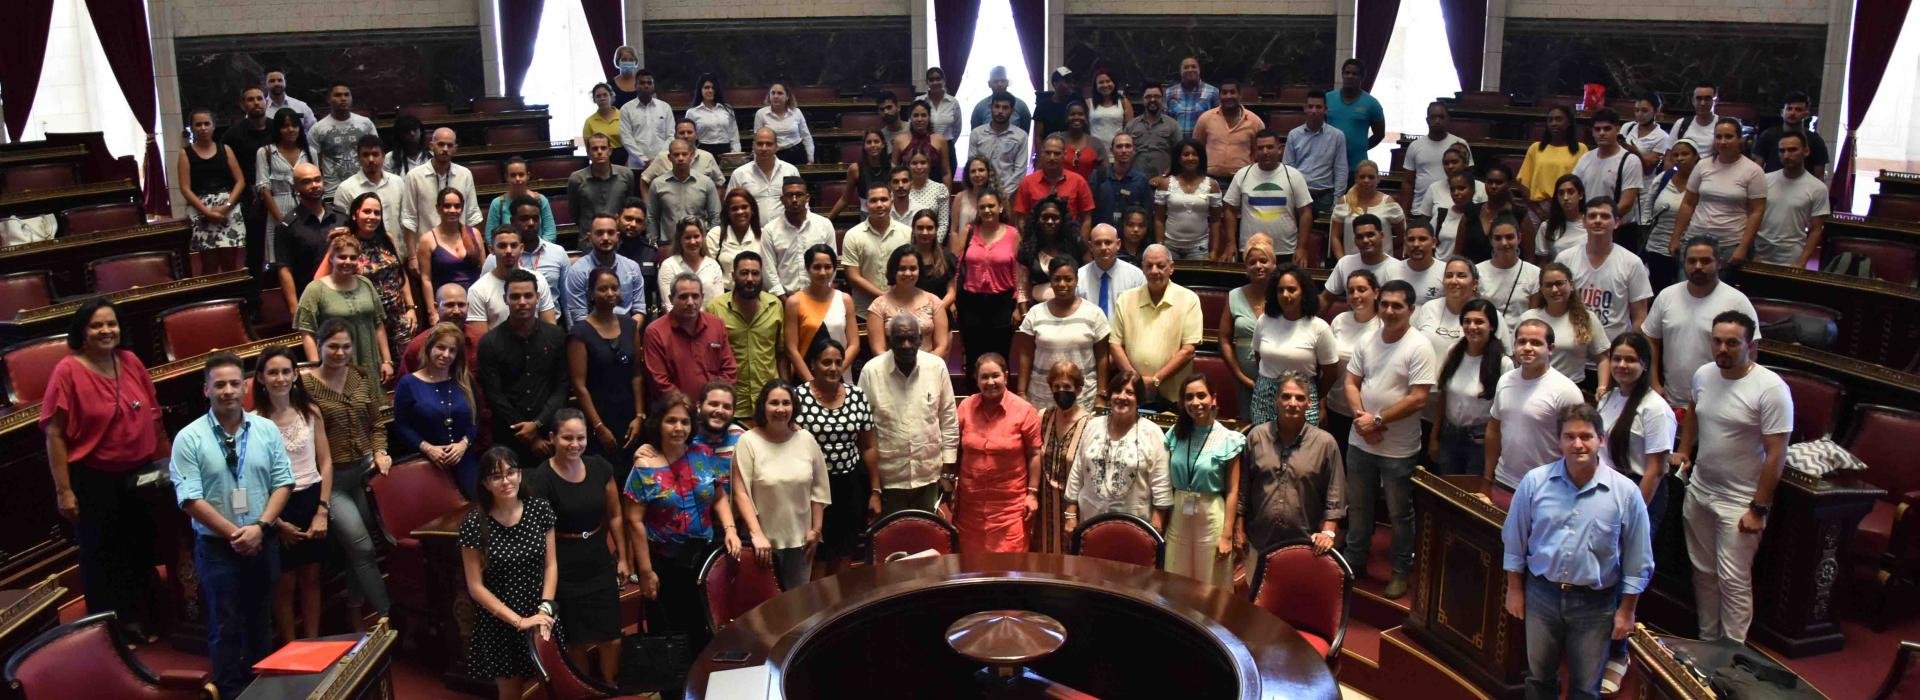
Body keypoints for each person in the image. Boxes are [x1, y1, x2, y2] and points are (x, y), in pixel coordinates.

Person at [1501, 404, 1653, 700]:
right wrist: (1514, 589)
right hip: (1542, 595)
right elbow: (1515, 540)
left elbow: (1638, 559)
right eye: (1569, 437)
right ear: (1559, 440)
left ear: (1601, 440)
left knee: (1585, 687)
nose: (1578, 444)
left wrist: (1627, 610)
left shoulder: (1626, 493)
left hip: (1596, 604)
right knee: (1539, 677)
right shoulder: (1534, 482)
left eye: (1586, 436)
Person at [169, 352, 294, 697]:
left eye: (235, 383)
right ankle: (230, 691)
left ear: (246, 387)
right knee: (225, 625)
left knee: (261, 620)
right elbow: (190, 499)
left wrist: (260, 528)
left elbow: (284, 482)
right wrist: (237, 534)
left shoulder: (266, 429)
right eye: (219, 384)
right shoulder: (189, 438)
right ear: (206, 389)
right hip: (217, 548)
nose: (228, 391)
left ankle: (264, 690)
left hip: (261, 540)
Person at [41, 299, 167, 640]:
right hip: (95, 479)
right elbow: (54, 433)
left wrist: (167, 463)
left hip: (141, 474)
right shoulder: (68, 371)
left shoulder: (130, 361)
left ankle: (146, 617)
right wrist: (64, 490)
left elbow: (153, 414)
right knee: (104, 556)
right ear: (82, 332)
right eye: (97, 325)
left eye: (111, 324)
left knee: (142, 548)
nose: (106, 331)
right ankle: (109, 630)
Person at [1676, 311, 1790, 645]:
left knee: (1733, 580)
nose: (1722, 349)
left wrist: (1759, 508)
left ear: (1750, 345)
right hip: (1700, 490)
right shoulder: (1704, 374)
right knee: (1703, 574)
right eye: (1717, 341)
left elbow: (1777, 453)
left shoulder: (1771, 389)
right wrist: (1684, 449)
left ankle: (1731, 655)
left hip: (1740, 501)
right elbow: (1693, 410)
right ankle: (1707, 643)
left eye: (1732, 342)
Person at [623, 391, 737, 655]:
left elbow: (719, 496)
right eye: (671, 421)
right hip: (666, 564)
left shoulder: (702, 453)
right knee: (671, 637)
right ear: (658, 424)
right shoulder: (645, 466)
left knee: (707, 628)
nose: (678, 428)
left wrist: (730, 529)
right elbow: (634, 521)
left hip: (705, 559)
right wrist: (646, 571)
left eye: (684, 422)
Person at [1341, 279, 1435, 598]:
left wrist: (1377, 420)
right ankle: (1354, 561)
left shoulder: (1419, 345)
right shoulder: (1368, 340)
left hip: (1398, 449)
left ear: (1411, 309)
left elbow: (1419, 397)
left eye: (1398, 306)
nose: (1390, 311)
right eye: (1385, 304)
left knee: (1399, 512)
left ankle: (1399, 570)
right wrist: (1362, 419)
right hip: (1360, 440)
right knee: (1359, 506)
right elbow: (1351, 383)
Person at [522, 410, 626, 686]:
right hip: (563, 564)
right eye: (567, 438)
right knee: (576, 640)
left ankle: (609, 685)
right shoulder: (541, 478)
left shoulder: (600, 467)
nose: (575, 444)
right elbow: (541, 532)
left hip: (599, 557)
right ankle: (585, 688)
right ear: (552, 438)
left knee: (611, 637)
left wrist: (623, 557)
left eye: (580, 438)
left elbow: (615, 515)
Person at [303, 320, 394, 623]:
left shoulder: (361, 377)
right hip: (333, 481)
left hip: (365, 472)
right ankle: (389, 617)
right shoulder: (305, 385)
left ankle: (355, 610)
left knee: (363, 549)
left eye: (345, 346)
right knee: (364, 548)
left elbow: (377, 423)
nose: (340, 352)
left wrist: (380, 450)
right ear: (319, 346)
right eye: (332, 346)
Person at [458, 448, 558, 700]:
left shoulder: (540, 509)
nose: (506, 481)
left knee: (551, 685)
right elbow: (475, 587)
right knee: (511, 692)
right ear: (485, 483)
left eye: (511, 473)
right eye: (496, 476)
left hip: (540, 612)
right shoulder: (473, 523)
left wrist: (544, 610)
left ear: (520, 475)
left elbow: (551, 565)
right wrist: (518, 621)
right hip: (500, 621)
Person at [252, 348, 330, 645]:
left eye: (286, 371)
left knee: (311, 578)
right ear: (260, 378)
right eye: (272, 372)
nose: (280, 378)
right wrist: (275, 522)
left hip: (311, 500)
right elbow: (254, 478)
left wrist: (322, 510)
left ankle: (312, 642)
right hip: (276, 507)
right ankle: (290, 646)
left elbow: (325, 462)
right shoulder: (254, 421)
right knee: (284, 583)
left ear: (296, 374)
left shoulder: (310, 412)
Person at [731, 382, 831, 589]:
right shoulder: (747, 441)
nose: (780, 409)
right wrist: (756, 534)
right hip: (763, 545)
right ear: (763, 407)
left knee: (798, 604)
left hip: (802, 541)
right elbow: (741, 492)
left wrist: (817, 529)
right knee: (766, 607)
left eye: (786, 403)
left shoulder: (806, 439)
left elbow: (819, 488)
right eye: (773, 403)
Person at [859, 314, 960, 515]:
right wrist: (875, 487)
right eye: (899, 339)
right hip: (889, 479)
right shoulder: (871, 372)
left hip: (929, 475)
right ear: (889, 341)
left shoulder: (936, 367)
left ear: (920, 339)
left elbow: (948, 419)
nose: (906, 345)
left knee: (927, 540)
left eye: (911, 338)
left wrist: (948, 472)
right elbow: (864, 432)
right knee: (894, 542)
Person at [1643, 237, 1759, 408]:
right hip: (1670, 400)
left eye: (1705, 261)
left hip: (1719, 402)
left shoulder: (1737, 302)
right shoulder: (1667, 296)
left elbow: (1751, 351)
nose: (1698, 266)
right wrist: (1654, 383)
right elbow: (1651, 338)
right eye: (1692, 261)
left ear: (1719, 263)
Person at [1240, 371, 1347, 556]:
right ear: (1276, 400)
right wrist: (1237, 528)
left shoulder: (1325, 443)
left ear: (1309, 403)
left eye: (1299, 398)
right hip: (1258, 540)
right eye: (1286, 396)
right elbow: (1243, 490)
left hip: (1305, 545)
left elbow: (1335, 497)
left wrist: (1328, 532)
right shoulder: (1256, 436)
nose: (1292, 403)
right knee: (1256, 586)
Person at [792, 338, 875, 575]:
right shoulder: (798, 398)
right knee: (818, 554)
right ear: (813, 364)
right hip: (813, 488)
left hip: (850, 484)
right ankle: (820, 608)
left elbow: (868, 446)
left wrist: (876, 491)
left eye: (838, 362)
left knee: (846, 551)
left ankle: (843, 606)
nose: (833, 368)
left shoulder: (857, 395)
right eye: (826, 362)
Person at [951, 355, 1044, 554]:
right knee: (971, 570)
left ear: (1006, 376)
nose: (990, 382)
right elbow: (956, 448)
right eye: (984, 377)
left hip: (1010, 509)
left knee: (1010, 571)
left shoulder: (1024, 410)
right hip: (970, 508)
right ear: (976, 379)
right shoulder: (965, 407)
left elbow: (1035, 453)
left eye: (996, 376)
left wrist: (1032, 494)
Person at [478, 270, 570, 466]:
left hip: (551, 432)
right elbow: (495, 396)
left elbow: (561, 386)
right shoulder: (489, 343)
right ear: (505, 299)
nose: (522, 301)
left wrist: (538, 424)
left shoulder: (555, 336)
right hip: (509, 435)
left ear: (537, 297)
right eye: (515, 296)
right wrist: (529, 435)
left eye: (528, 295)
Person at [1164, 375, 1245, 586]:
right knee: (1176, 580)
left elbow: (1233, 491)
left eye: (1201, 395)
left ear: (1213, 399)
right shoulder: (1176, 433)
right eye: (1189, 397)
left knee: (1210, 584)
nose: (1195, 402)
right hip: (1179, 515)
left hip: (1211, 517)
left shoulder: (1228, 439)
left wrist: (1227, 535)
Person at [1487, 319, 1588, 489]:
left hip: (1545, 487)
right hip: (1503, 480)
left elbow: (1579, 447)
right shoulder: (1505, 380)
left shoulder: (1566, 391)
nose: (1527, 348)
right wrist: (1488, 475)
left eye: (1536, 343)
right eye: (1521, 342)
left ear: (1551, 349)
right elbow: (1494, 428)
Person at [1064, 374, 1172, 527]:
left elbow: (1161, 483)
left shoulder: (1152, 432)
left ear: (1139, 399)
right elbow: (1077, 471)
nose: (1122, 397)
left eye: (1130, 392)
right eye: (1117, 391)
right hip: (1089, 522)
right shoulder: (1092, 425)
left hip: (1135, 526)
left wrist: (1157, 524)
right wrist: (1070, 515)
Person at [567, 268, 645, 464]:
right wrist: (599, 426)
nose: (610, 294)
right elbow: (579, 386)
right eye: (603, 289)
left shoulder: (629, 325)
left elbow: (637, 374)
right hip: (599, 417)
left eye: (614, 288)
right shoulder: (579, 333)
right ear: (591, 294)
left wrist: (639, 415)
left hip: (629, 416)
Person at [1111, 245, 1203, 406]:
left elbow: (1188, 350)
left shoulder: (1189, 299)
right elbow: (1115, 344)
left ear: (1171, 268)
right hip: (1133, 393)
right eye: (1149, 266)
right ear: (1142, 268)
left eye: (1160, 266)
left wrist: (1156, 380)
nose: (1154, 271)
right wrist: (1136, 381)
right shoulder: (1125, 299)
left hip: (1174, 396)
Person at [1597, 332, 1675, 525]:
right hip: (1606, 486)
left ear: (1645, 364)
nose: (1622, 365)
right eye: (1617, 359)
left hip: (1639, 491)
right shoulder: (1608, 398)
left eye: (1630, 360)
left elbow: (1655, 470)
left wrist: (1633, 513)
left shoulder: (1655, 408)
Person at [331, 193, 419, 362]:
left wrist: (410, 308)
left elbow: (400, 275)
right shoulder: (347, 243)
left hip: (398, 317)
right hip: (367, 319)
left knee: (407, 367)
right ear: (355, 214)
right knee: (379, 370)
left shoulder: (387, 238)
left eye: (377, 213)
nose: (372, 216)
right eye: (367, 211)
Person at [1427, 299, 1511, 475]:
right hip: (1449, 435)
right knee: (1447, 491)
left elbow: (1504, 415)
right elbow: (1444, 397)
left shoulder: (1503, 363)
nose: (1472, 326)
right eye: (1467, 321)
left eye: (1479, 322)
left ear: (1492, 326)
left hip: (1480, 441)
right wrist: (1434, 437)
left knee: (1470, 494)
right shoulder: (1453, 352)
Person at [1556, 196, 1652, 348]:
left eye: (1605, 216)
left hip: (1613, 354)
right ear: (1584, 222)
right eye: (1592, 216)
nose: (1598, 220)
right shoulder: (1565, 259)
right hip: (1573, 353)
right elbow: (1555, 306)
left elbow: (1640, 317)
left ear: (1617, 222)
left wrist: (1627, 351)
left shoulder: (1632, 263)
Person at [296, 232, 392, 382]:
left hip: (370, 362)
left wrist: (387, 361)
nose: (348, 261)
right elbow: (307, 332)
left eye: (353, 257)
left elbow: (378, 324)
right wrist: (317, 368)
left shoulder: (366, 284)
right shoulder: (315, 289)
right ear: (331, 259)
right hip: (334, 365)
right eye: (342, 257)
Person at [396, 321, 480, 492]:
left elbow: (476, 418)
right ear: (429, 347)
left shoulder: (464, 380)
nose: (446, 354)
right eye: (440, 347)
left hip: (464, 459)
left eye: (452, 350)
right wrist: (428, 448)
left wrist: (464, 444)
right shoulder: (408, 383)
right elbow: (401, 425)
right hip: (427, 463)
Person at [1017, 256, 1111, 410]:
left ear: (1076, 280)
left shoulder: (1094, 313)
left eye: (1068, 279)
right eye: (1057, 279)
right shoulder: (1035, 313)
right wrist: (1021, 392)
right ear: (1050, 281)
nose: (1062, 284)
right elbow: (1025, 355)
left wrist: (1101, 394)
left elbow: (1102, 357)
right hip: (1042, 396)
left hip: (1083, 396)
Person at [1251, 263, 1339, 426]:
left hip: (1302, 398)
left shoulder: (1319, 327)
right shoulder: (1264, 321)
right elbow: (1258, 357)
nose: (1285, 295)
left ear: (1303, 293)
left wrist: (1312, 393)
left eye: (1292, 289)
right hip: (1265, 396)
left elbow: (1331, 373)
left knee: (1303, 449)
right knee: (1264, 448)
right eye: (1280, 290)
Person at [1672, 119, 1768, 265]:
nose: (1723, 142)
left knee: (1721, 287)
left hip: (1729, 243)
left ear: (1740, 139)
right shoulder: (1703, 165)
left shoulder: (1753, 171)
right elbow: (1688, 203)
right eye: (1718, 137)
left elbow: (1757, 212)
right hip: (1695, 239)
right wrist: (1676, 237)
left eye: (1729, 136)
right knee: (1688, 285)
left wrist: (1743, 247)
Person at [953, 191, 1027, 368]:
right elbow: (957, 268)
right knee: (973, 355)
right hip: (971, 302)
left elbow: (1019, 271)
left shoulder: (1013, 234)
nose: (987, 210)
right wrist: (954, 299)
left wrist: (1018, 304)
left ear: (1000, 207)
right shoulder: (968, 231)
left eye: (991, 206)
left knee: (1000, 355)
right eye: (982, 207)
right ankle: (974, 394)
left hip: (1002, 302)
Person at [710, 252, 785, 417]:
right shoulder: (715, 309)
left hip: (769, 401)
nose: (750, 279)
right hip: (731, 402)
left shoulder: (775, 306)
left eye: (755, 273)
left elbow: (781, 354)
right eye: (744, 273)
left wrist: (786, 392)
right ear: (733, 276)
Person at [1224, 130, 1314, 263]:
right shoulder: (1242, 175)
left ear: (1279, 150)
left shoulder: (1294, 176)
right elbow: (1229, 210)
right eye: (1260, 148)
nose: (1265, 151)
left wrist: (1302, 247)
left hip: (1285, 250)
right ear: (1254, 151)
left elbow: (1306, 212)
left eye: (1270, 147)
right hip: (1251, 251)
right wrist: (1230, 243)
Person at [645, 273, 739, 398]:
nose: (690, 302)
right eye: (683, 297)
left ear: (702, 297)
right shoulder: (655, 332)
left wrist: (711, 402)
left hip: (712, 410)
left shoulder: (717, 325)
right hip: (674, 412)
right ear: (671, 298)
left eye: (695, 296)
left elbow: (729, 370)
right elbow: (659, 381)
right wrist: (688, 406)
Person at [1032, 361, 1093, 555]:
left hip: (1073, 507)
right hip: (1045, 505)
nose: (1061, 391)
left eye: (1067, 387)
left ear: (1079, 389)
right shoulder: (1043, 416)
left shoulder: (1090, 424)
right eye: (1056, 387)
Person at [180, 107, 248, 274]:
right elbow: (185, 188)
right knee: (208, 265)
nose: (203, 128)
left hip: (228, 209)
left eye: (206, 123)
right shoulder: (185, 153)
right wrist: (207, 212)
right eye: (198, 124)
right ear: (192, 128)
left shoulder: (225, 149)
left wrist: (226, 206)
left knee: (230, 265)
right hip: (201, 210)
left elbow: (240, 181)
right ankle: (213, 300)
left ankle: (232, 299)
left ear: (213, 126)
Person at [1519, 262, 1610, 385]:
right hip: (1532, 386)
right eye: (1548, 285)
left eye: (1559, 283)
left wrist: (1602, 388)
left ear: (1571, 285)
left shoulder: (1587, 318)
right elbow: (1517, 358)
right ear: (1541, 288)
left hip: (1573, 388)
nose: (1555, 290)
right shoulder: (1528, 318)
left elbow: (1603, 359)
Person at [1325, 270, 1382, 456]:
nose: (1356, 295)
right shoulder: (1339, 320)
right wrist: (1321, 403)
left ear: (1376, 292)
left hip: (1368, 414)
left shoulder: (1383, 326)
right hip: (1335, 406)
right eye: (1351, 291)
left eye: (1362, 289)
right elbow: (1326, 366)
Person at [786, 245, 862, 381]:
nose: (822, 272)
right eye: (817, 267)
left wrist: (835, 371)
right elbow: (791, 349)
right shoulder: (794, 302)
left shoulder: (845, 299)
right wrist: (811, 384)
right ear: (807, 268)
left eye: (827, 267)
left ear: (834, 269)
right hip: (806, 378)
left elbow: (854, 344)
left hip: (840, 375)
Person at [1218, 234, 1274, 419]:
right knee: (1249, 429)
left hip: (1278, 380)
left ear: (1273, 264)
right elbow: (1224, 339)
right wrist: (1239, 375)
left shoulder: (1283, 295)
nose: (1258, 266)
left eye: (1263, 261)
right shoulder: (1234, 296)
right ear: (1246, 268)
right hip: (1243, 381)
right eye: (1252, 262)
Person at [1757, 132, 1830, 267]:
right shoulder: (1764, 181)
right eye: (1782, 151)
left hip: (1791, 259)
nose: (1786, 155)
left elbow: (1816, 229)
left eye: (1792, 150)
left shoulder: (1818, 188)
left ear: (1806, 151)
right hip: (1759, 254)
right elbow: (1751, 216)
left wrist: (1802, 261)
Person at [868, 241, 950, 360]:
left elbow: (941, 345)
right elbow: (878, 350)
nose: (907, 273)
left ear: (919, 270)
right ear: (893, 270)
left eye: (912, 268)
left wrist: (925, 367)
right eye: (902, 268)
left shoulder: (934, 302)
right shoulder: (878, 306)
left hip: (928, 368)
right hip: (891, 370)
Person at [224, 91, 277, 276]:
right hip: (250, 199)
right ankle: (254, 298)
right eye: (250, 99)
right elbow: (228, 170)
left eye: (259, 98)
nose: (256, 103)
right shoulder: (233, 135)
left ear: (266, 102)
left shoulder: (277, 128)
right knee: (255, 250)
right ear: (242, 104)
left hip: (280, 195)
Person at [399, 128, 484, 244]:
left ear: (455, 149)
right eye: (441, 144)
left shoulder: (465, 174)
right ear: (431, 146)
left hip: (459, 248)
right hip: (426, 248)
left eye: (449, 145)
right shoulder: (414, 176)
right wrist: (412, 258)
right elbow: (409, 219)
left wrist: (473, 247)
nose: (445, 149)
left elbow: (473, 215)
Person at [487, 198, 572, 310]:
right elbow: (487, 293)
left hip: (551, 322)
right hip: (511, 321)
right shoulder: (496, 258)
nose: (531, 223)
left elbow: (567, 299)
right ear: (512, 221)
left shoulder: (558, 253)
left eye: (535, 219)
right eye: (524, 219)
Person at [467, 228, 560, 330]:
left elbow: (550, 328)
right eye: (502, 246)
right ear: (491, 249)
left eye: (513, 245)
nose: (508, 251)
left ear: (521, 248)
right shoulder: (477, 290)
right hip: (497, 345)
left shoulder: (538, 280)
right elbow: (480, 340)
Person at [334, 135, 408, 261]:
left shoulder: (398, 182)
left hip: (398, 253)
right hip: (362, 259)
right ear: (358, 158)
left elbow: (405, 219)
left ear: (383, 156)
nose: (371, 159)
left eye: (375, 154)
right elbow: (345, 227)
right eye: (365, 155)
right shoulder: (346, 189)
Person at [564, 215, 646, 325]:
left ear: (617, 236)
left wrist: (628, 334)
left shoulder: (632, 267)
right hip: (592, 334)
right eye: (599, 233)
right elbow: (579, 316)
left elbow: (639, 310)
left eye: (611, 232)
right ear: (589, 238)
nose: (606, 238)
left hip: (628, 332)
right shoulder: (577, 271)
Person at [258, 109, 316, 262]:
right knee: (282, 261)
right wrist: (282, 221)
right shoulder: (265, 152)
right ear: (277, 129)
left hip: (306, 208)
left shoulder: (310, 152)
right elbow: (264, 189)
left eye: (294, 125)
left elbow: (317, 183)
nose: (290, 130)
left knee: (307, 258)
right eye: (285, 126)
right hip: (278, 209)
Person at [1643, 139, 1701, 291]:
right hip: (1657, 245)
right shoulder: (1663, 178)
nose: (1679, 158)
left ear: (1696, 157)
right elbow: (1647, 207)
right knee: (1658, 291)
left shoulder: (1703, 182)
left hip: (1688, 247)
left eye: (1685, 154)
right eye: (1675, 155)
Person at [764, 177, 837, 295]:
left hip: (819, 296)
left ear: (807, 198)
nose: (794, 199)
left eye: (799, 195)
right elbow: (769, 270)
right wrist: (784, 299)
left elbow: (831, 263)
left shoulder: (824, 225)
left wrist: (822, 292)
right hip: (784, 298)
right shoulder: (770, 230)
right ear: (782, 199)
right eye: (789, 195)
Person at [1571, 109, 1645, 225]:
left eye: (1607, 128)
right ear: (1592, 132)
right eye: (1597, 129)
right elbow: (1574, 191)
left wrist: (1600, 221)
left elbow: (1626, 203)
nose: (1601, 133)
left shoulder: (1631, 161)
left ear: (1617, 129)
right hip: (1587, 225)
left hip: (1617, 228)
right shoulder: (1585, 158)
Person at [1410, 255, 1490, 362]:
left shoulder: (1488, 313)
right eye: (1449, 276)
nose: (1454, 281)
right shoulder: (1429, 308)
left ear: (1474, 283)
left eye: (1461, 276)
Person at [1284, 92, 1349, 220]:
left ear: (1325, 110)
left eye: (1318, 107)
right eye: (1310, 106)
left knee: (1322, 236)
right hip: (1299, 196)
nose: (1314, 111)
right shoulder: (1294, 135)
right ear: (1305, 108)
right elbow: (1287, 170)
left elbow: (1341, 170)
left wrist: (1337, 201)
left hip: (1325, 198)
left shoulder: (1337, 136)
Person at [1156, 139, 1224, 260]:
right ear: (1179, 158)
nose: (1190, 158)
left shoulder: (1212, 185)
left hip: (1199, 247)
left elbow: (1216, 221)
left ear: (1200, 158)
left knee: (1197, 279)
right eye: (1186, 154)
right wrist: (1160, 246)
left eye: (1194, 154)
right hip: (1170, 246)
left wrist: (1214, 251)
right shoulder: (1166, 184)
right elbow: (1159, 219)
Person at [1013, 136, 1096, 235]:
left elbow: (1086, 219)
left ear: (1064, 155)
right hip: (1036, 242)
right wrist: (1027, 243)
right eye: (1048, 153)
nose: (1052, 157)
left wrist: (1081, 246)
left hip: (1069, 243)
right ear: (1041, 154)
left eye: (1057, 154)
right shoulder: (1027, 182)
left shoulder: (1079, 181)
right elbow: (1021, 218)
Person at [1402, 102, 1471, 215]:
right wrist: (1404, 213)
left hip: (1452, 208)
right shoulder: (1415, 146)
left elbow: (1468, 178)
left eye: (1441, 117)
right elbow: (1408, 182)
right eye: (1433, 117)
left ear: (1448, 119)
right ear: (1427, 120)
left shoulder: (1459, 144)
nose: (1437, 120)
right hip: (1419, 210)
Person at [308, 84, 378, 198]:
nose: (343, 98)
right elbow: (312, 164)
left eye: (347, 95)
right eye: (338, 95)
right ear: (328, 99)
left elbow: (376, 156)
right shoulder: (318, 129)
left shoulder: (365, 124)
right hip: (332, 191)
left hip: (364, 187)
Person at [648, 140, 724, 244]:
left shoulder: (706, 183)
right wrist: (653, 243)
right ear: (669, 158)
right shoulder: (657, 184)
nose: (680, 158)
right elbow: (652, 217)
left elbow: (715, 216)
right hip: (668, 244)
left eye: (684, 154)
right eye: (676, 155)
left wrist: (711, 243)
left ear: (691, 156)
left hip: (698, 244)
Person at [707, 188, 781, 292]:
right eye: (734, 208)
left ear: (752, 210)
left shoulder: (764, 235)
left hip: (757, 294)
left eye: (744, 207)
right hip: (725, 294)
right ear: (727, 212)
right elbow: (708, 270)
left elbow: (772, 270)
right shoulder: (716, 234)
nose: (740, 212)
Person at [1322, 213, 1403, 306]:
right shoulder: (1345, 263)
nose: (1365, 240)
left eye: (1370, 235)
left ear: (1381, 236)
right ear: (1355, 241)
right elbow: (1326, 298)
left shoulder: (1398, 268)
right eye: (1360, 237)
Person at [1330, 161, 1407, 260]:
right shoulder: (1344, 202)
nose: (1366, 180)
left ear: (1378, 179)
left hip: (1382, 263)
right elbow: (1335, 236)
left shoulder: (1388, 202)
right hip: (1352, 264)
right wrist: (1342, 261)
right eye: (1362, 177)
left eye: (1371, 177)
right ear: (1356, 179)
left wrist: (1385, 247)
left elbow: (1403, 235)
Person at [1194, 81, 1265, 186]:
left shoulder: (1255, 121)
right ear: (1219, 96)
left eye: (1232, 92)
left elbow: (1258, 152)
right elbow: (1196, 148)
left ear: (1240, 95)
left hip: (1243, 180)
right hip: (1209, 179)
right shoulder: (1206, 119)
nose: (1228, 96)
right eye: (1224, 93)